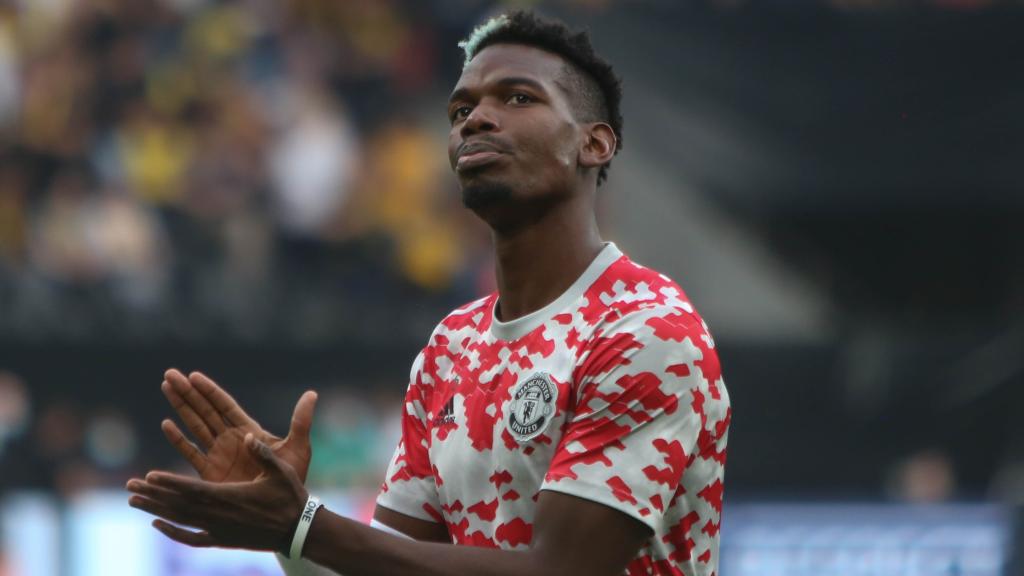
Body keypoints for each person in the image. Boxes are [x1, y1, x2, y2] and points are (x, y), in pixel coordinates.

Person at [126, 10, 732, 576]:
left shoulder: (644, 329)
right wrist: (282, 528)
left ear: (594, 144)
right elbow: (387, 565)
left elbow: (562, 571)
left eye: (518, 98)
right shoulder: (452, 347)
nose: (476, 119)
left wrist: (304, 525)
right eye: (461, 108)